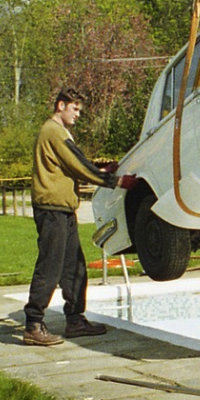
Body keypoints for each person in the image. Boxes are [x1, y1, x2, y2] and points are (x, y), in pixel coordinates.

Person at [23, 87, 116, 346]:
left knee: (74, 267)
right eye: (75, 109)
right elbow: (77, 163)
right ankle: (33, 325)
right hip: (51, 209)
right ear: (60, 105)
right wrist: (113, 179)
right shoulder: (52, 131)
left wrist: (101, 169)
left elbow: (74, 164)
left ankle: (75, 320)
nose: (78, 115)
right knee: (50, 266)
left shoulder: (61, 132)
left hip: (63, 209)